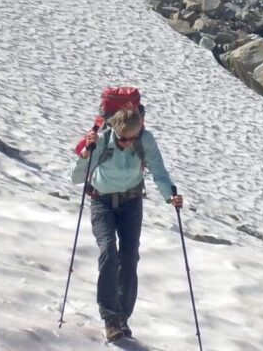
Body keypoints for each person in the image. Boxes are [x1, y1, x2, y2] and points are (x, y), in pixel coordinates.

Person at [70, 90, 182, 343]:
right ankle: (110, 318)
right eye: (123, 140)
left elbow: (159, 171)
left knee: (129, 257)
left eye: (132, 139)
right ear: (115, 131)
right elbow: (76, 178)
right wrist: (86, 154)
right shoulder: (100, 141)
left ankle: (122, 318)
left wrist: (170, 196)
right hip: (102, 202)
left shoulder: (145, 140)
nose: (128, 144)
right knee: (108, 251)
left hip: (131, 202)